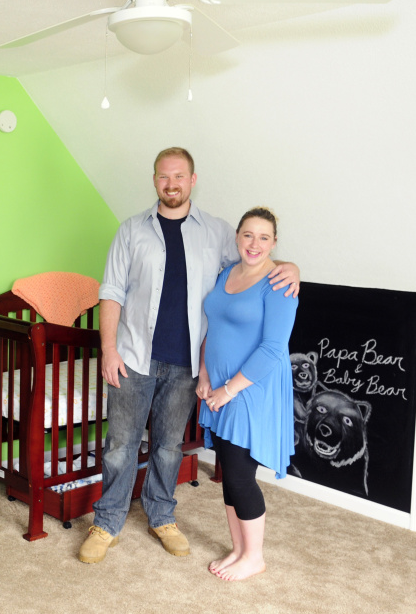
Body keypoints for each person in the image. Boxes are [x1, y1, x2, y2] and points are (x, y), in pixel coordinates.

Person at [78, 148, 300, 564]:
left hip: (186, 364)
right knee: (120, 446)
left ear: (192, 180)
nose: (171, 183)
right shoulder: (130, 231)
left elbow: (254, 262)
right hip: (132, 357)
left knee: (167, 448)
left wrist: (292, 266)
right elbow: (110, 291)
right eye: (164, 176)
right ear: (155, 180)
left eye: (179, 176)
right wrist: (108, 349)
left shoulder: (217, 232)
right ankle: (107, 523)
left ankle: (161, 515)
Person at [197, 206, 299, 581]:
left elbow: (273, 349)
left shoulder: (279, 285)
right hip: (221, 386)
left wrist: (227, 389)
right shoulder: (228, 272)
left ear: (275, 242)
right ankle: (239, 549)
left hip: (250, 389)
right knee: (228, 471)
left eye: (264, 237)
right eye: (248, 235)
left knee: (241, 476)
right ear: (237, 237)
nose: (254, 244)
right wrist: (206, 372)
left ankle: (255, 556)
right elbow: (214, 326)